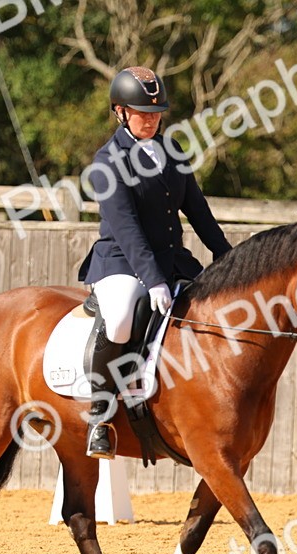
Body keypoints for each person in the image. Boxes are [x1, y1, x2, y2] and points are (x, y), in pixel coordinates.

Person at [78, 66, 232, 459]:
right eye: (141, 112)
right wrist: (152, 280)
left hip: (172, 259)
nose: (150, 119)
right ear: (120, 112)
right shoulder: (106, 162)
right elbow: (127, 228)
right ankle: (99, 414)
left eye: (156, 112)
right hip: (121, 262)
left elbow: (198, 210)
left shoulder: (173, 151)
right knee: (121, 317)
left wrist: (227, 258)